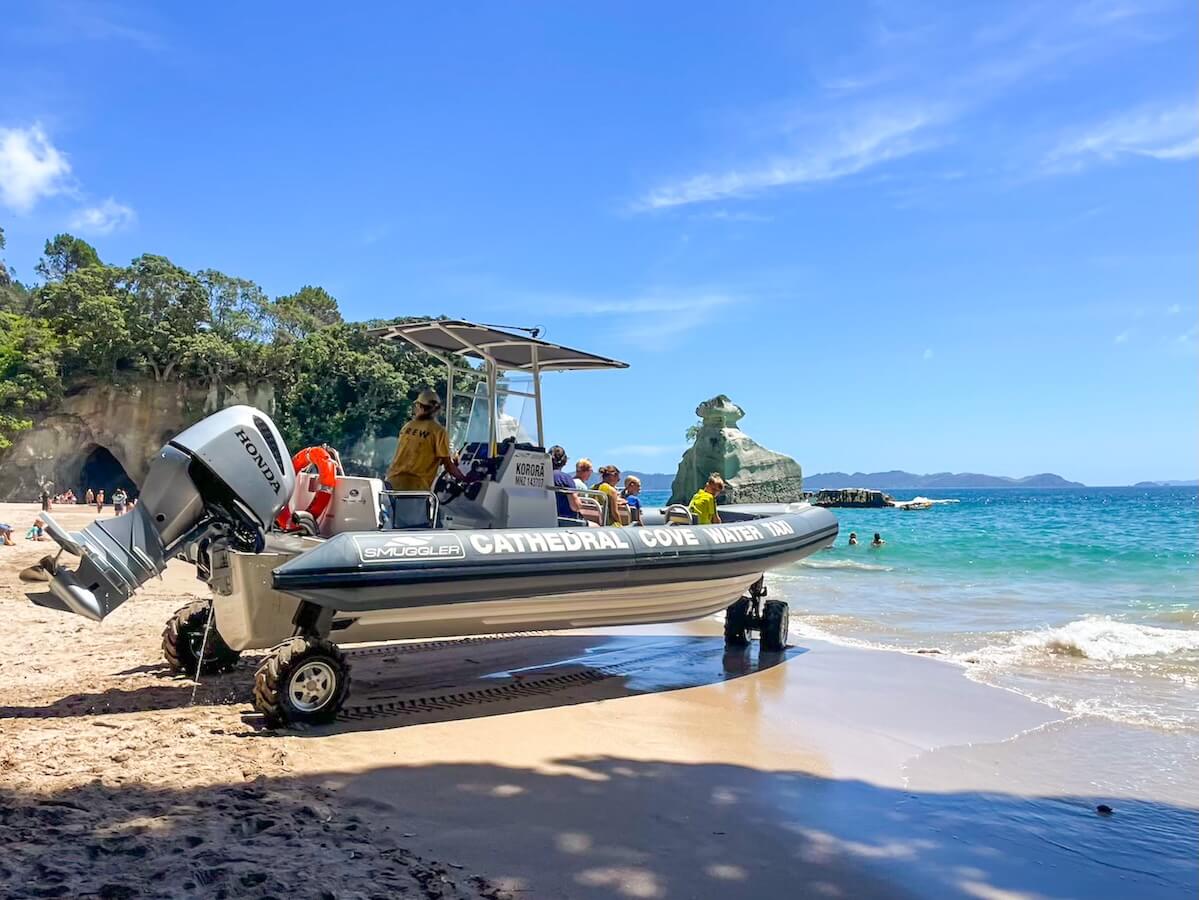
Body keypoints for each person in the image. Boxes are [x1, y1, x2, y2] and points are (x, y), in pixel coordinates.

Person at [386, 389, 466, 491]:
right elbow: (448, 466)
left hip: (392, 483)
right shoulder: (438, 432)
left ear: (419, 406)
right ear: (437, 410)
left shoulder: (408, 427)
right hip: (415, 488)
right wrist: (465, 479)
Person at [549, 445, 581, 521]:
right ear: (565, 461)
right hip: (564, 521)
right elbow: (575, 507)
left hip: (545, 518)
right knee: (596, 526)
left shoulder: (542, 476)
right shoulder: (565, 478)